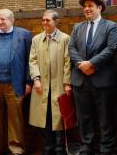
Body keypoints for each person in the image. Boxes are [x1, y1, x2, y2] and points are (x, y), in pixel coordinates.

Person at [69, 0, 117, 155]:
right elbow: (71, 48)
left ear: (99, 8)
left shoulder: (110, 26)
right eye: (85, 6)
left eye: (90, 6)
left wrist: (92, 63)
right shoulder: (77, 27)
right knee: (83, 117)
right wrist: (82, 65)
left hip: (103, 80)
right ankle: (86, 146)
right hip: (81, 80)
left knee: (106, 117)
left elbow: (112, 48)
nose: (86, 9)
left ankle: (106, 147)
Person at [0, 8, 32, 155]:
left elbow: (30, 59)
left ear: (11, 20)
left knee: (15, 119)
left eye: (3, 19)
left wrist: (28, 82)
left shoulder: (24, 35)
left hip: (15, 83)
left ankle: (16, 149)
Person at [29, 9, 71, 155]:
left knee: (58, 117)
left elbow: (68, 62)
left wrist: (67, 83)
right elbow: (32, 61)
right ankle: (48, 147)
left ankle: (60, 148)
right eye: (43, 20)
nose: (44, 23)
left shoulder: (65, 39)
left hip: (58, 86)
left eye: (48, 20)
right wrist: (36, 79)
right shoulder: (36, 39)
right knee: (44, 118)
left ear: (56, 22)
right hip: (41, 87)